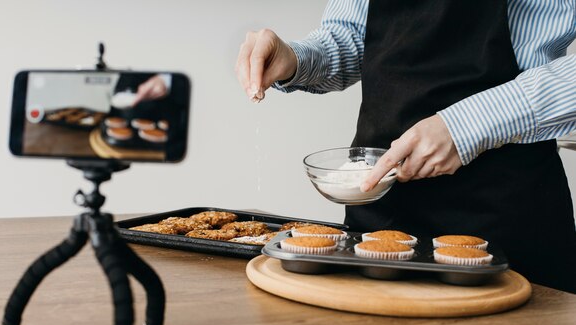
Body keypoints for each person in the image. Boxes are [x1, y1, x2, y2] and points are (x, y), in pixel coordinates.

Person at [235, 0, 576, 293]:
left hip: (508, 211)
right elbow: (355, 37)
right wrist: (295, 58)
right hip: (379, 209)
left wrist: (470, 126)